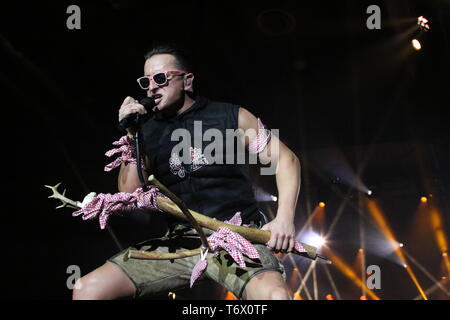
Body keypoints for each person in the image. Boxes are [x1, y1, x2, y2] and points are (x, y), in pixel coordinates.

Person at [72, 44, 301, 300]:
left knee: (274, 297)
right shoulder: (146, 133)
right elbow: (128, 192)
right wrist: (131, 134)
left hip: (236, 237)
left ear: (187, 81)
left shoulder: (230, 116)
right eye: (145, 81)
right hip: (181, 243)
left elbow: (286, 160)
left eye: (160, 78)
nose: (152, 87)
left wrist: (284, 219)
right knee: (86, 289)